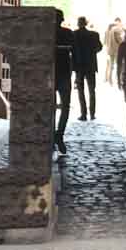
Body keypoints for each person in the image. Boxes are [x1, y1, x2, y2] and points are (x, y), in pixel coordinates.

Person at [72, 15, 102, 121]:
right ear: (86, 23)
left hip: (79, 66)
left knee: (81, 91)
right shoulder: (94, 35)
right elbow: (99, 47)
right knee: (92, 90)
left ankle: (83, 114)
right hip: (91, 65)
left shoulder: (74, 34)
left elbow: (72, 49)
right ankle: (92, 113)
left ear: (78, 23)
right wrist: (91, 53)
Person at [53, 9, 74, 154]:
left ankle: (52, 135)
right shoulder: (68, 33)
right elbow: (75, 51)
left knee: (49, 107)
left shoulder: (45, 33)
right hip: (64, 72)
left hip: (49, 73)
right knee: (65, 106)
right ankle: (59, 135)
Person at [104, 18, 124, 85]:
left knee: (110, 66)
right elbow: (119, 40)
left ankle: (109, 80)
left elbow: (105, 41)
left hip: (110, 50)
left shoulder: (108, 31)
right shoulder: (116, 30)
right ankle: (120, 80)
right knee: (119, 65)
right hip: (116, 50)